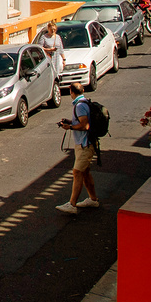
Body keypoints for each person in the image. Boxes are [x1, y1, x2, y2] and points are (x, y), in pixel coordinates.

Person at [57, 85, 101, 214]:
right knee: (85, 172)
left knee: (77, 173)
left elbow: (85, 125)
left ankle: (72, 204)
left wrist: (69, 127)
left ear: (71, 92)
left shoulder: (80, 106)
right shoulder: (84, 103)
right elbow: (82, 121)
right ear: (82, 91)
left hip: (85, 145)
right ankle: (93, 199)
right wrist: (70, 122)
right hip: (85, 144)